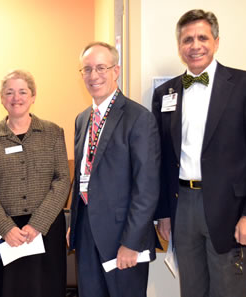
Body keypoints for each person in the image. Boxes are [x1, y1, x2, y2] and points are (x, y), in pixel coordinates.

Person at [152, 9, 246, 297]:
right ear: (179, 46)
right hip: (183, 207)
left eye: (202, 38)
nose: (195, 45)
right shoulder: (166, 93)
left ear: (216, 42)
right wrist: (164, 214)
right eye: (187, 39)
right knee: (192, 290)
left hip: (231, 210)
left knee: (229, 290)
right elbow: (163, 160)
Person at [67, 42, 160, 297]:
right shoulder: (82, 118)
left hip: (123, 236)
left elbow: (147, 188)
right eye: (87, 69)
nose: (93, 75)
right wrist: (74, 225)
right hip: (87, 233)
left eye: (100, 68)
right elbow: (83, 177)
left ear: (116, 70)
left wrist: (131, 243)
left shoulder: (138, 118)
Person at [0, 70, 70, 297]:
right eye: (9, 92)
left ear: (33, 96)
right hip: (5, 232)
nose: (16, 98)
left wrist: (38, 223)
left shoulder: (53, 132)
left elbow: (63, 179)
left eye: (22, 92)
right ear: (1, 98)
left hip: (44, 231)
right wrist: (6, 227)